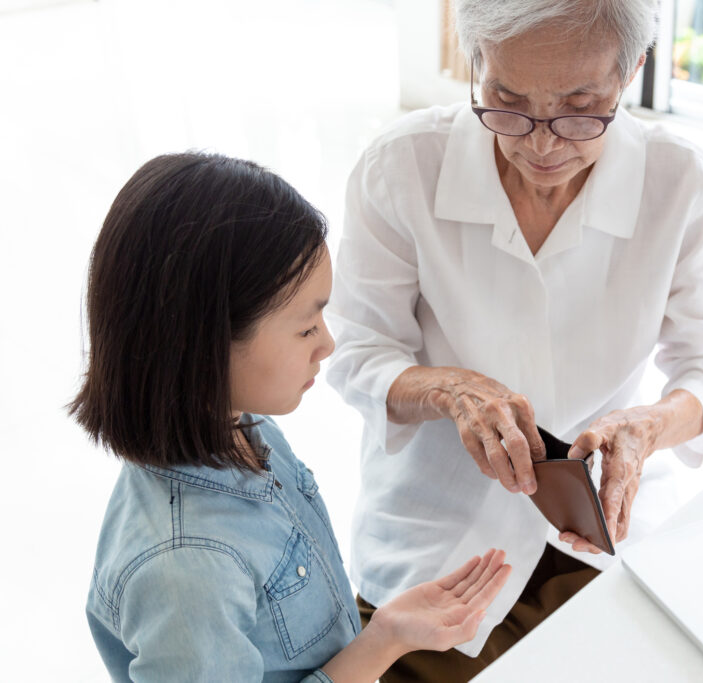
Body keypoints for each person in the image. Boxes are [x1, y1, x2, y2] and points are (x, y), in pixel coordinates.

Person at [327, 0, 703, 679]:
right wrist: (450, 389)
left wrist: (646, 427)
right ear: (476, 64)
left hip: (606, 525)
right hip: (441, 535)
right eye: (506, 100)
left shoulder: (681, 183)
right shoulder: (402, 166)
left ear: (631, 72)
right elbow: (355, 350)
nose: (542, 144)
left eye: (581, 108)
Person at [71, 152, 511, 682]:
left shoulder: (238, 426)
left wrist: (386, 634)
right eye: (306, 328)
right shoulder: (187, 571)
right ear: (205, 341)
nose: (327, 344)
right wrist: (382, 644)